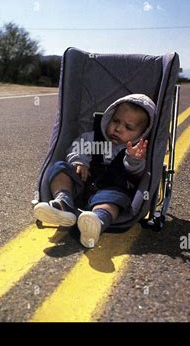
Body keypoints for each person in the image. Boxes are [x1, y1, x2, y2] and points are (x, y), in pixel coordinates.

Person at [34, 94, 155, 248]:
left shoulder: (136, 151)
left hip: (111, 190)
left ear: (141, 134)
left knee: (115, 200)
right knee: (59, 168)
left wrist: (133, 160)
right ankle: (63, 203)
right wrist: (79, 162)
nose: (118, 129)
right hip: (82, 183)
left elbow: (137, 174)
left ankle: (96, 222)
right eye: (115, 121)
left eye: (129, 127)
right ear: (109, 116)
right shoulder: (94, 137)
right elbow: (76, 148)